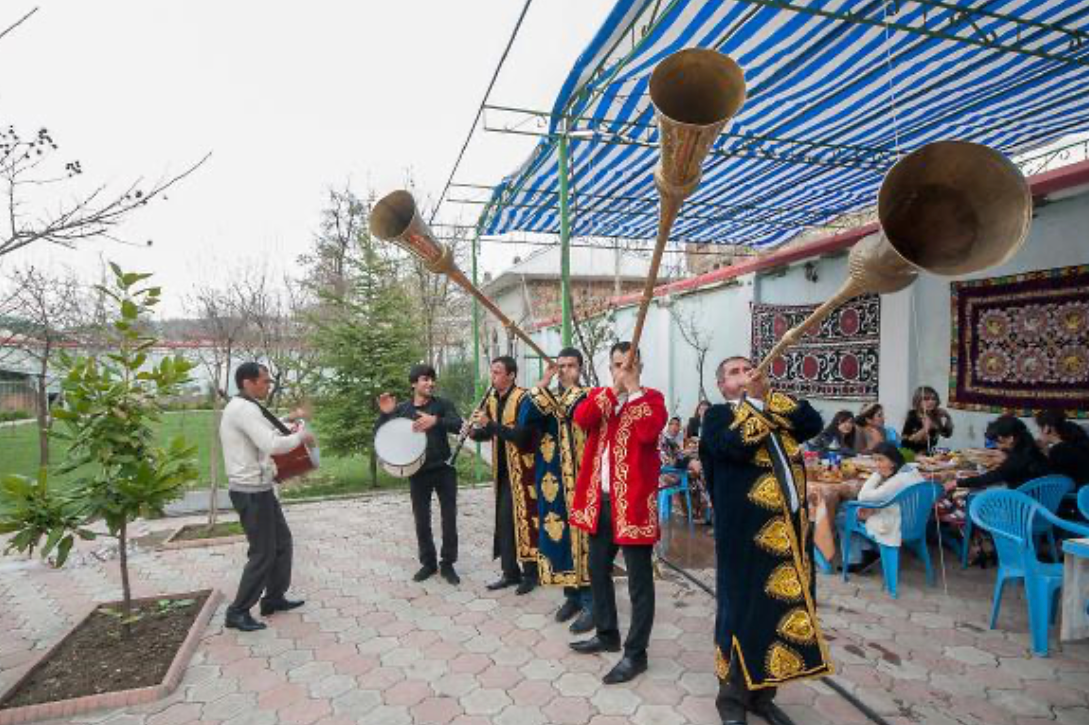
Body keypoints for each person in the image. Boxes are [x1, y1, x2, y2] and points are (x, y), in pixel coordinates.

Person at [699, 356, 831, 725]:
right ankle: (731, 700)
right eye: (734, 373)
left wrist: (768, 396)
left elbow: (812, 421)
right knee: (741, 615)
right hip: (745, 539)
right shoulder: (718, 417)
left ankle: (763, 694)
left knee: (779, 615)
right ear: (722, 385)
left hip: (790, 535)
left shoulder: (775, 409)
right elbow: (733, 447)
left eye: (749, 369)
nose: (744, 376)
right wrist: (756, 404)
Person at [569, 342, 667, 685]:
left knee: (640, 584)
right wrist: (612, 391)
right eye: (616, 365)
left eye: (628, 365)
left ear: (639, 367)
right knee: (598, 571)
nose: (622, 370)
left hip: (635, 507)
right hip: (602, 503)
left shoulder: (652, 399)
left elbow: (648, 433)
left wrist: (635, 390)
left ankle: (636, 654)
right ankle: (607, 633)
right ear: (609, 367)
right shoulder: (601, 397)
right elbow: (582, 419)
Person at [221, 362, 314, 632]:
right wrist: (302, 436)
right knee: (263, 552)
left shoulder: (248, 405)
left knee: (282, 542)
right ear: (247, 383)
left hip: (260, 489)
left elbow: (268, 429)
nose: (268, 384)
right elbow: (272, 443)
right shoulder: (243, 409)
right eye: (264, 381)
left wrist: (291, 421)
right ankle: (237, 611)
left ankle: (273, 598)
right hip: (250, 492)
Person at [518, 347, 594, 634]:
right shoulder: (547, 399)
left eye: (570, 365)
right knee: (559, 537)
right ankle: (571, 596)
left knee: (584, 542)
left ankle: (591, 602)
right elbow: (525, 420)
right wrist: (542, 384)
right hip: (553, 482)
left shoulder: (588, 397)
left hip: (583, 481)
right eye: (560, 366)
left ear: (580, 368)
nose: (564, 370)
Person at [376, 363, 464, 585]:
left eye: (432, 379)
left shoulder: (442, 405)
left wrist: (436, 420)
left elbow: (459, 425)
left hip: (445, 468)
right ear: (414, 383)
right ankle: (428, 563)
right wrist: (385, 415)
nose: (430, 383)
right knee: (421, 519)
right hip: (418, 471)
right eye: (425, 379)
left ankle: (448, 563)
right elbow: (382, 434)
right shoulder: (403, 410)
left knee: (449, 517)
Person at [469, 356, 538, 594]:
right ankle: (510, 573)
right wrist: (471, 431)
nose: (493, 376)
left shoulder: (524, 398)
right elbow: (488, 433)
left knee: (525, 522)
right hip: (501, 471)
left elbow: (522, 436)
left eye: (498, 372)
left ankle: (531, 574)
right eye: (492, 371)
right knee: (504, 522)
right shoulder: (491, 398)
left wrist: (490, 424)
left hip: (523, 472)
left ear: (511, 375)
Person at [852, 442, 926, 564]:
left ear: (893, 462)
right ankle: (869, 550)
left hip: (895, 525)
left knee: (843, 515)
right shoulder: (912, 471)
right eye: (875, 460)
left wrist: (876, 474)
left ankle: (857, 558)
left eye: (881, 460)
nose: (877, 464)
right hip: (915, 523)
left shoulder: (897, 481)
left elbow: (863, 497)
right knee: (859, 510)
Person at [952, 415, 1051, 491]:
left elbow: (991, 477)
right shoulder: (1030, 448)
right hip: (1041, 497)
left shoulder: (1018, 458)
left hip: (1024, 502)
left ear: (1010, 439)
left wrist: (957, 483)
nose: (995, 444)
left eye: (997, 441)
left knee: (972, 493)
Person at [1035, 410, 1089, 487]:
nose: (1038, 432)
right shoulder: (1074, 444)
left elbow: (1052, 479)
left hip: (1071, 494)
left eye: (1039, 428)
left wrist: (1045, 454)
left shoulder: (1058, 451)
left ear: (1046, 428)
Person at [901, 386, 954, 454]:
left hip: (930, 456)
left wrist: (948, 419)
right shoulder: (912, 415)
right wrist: (924, 429)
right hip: (913, 457)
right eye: (926, 399)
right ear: (918, 400)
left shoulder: (936, 415)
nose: (931, 402)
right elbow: (905, 443)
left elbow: (947, 434)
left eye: (933, 399)